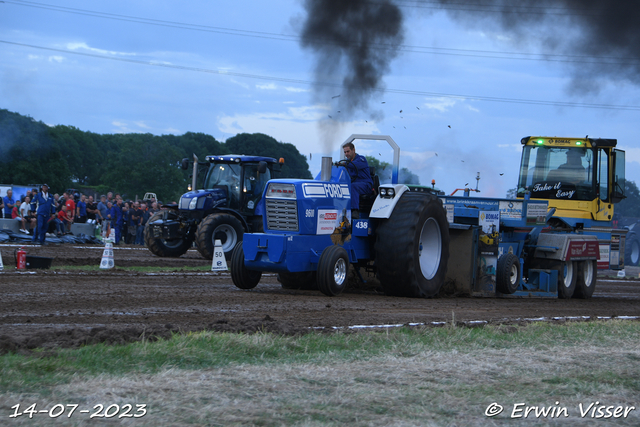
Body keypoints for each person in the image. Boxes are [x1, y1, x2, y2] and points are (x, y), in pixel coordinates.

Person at [342, 142, 374, 214]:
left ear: (353, 150)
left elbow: (354, 165)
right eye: (345, 152)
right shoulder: (347, 163)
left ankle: (355, 210)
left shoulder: (361, 159)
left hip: (366, 185)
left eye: (348, 151)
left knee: (353, 186)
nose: (346, 154)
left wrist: (343, 164)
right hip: (355, 184)